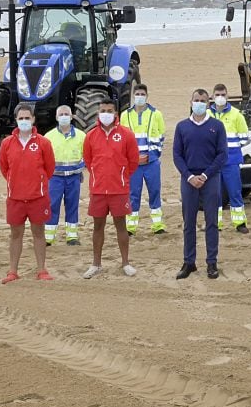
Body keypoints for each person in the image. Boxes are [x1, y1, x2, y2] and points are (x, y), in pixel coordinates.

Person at [0, 103, 56, 284]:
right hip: (15, 197)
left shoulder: (43, 142)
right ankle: (13, 271)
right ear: (16, 120)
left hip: (37, 197)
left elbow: (49, 168)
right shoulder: (6, 143)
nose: (24, 121)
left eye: (27, 118)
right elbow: (4, 168)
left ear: (33, 119)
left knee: (39, 233)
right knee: (16, 234)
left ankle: (41, 269)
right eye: (21, 118)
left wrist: (36, 184)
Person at [173, 89, 227, 279]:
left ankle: (211, 263)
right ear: (191, 102)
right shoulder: (181, 127)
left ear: (209, 103)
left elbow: (222, 154)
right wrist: (189, 177)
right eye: (196, 100)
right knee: (189, 223)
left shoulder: (217, 126)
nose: (199, 103)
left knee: (211, 222)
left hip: (210, 178)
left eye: (203, 100)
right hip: (188, 179)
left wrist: (204, 176)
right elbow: (177, 155)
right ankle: (189, 262)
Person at [82, 99, 140, 278]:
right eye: (102, 110)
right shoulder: (91, 135)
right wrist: (100, 176)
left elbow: (133, 161)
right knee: (97, 227)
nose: (105, 113)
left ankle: (125, 263)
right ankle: (96, 264)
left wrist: (120, 176)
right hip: (98, 190)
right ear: (98, 113)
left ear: (115, 114)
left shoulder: (126, 135)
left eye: (109, 110)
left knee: (121, 226)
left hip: (119, 189)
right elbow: (88, 160)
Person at [121, 84, 167, 235]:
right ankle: (131, 227)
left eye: (142, 94)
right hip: (133, 164)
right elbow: (122, 139)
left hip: (151, 162)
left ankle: (158, 225)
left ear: (147, 96)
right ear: (133, 95)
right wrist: (132, 159)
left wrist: (153, 155)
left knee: (154, 191)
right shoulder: (125, 115)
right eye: (137, 94)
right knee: (133, 193)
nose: (139, 96)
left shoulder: (156, 114)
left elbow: (160, 136)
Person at [44, 105, 85, 246]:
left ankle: (72, 236)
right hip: (55, 178)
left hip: (74, 178)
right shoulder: (48, 137)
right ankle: (49, 237)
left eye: (66, 114)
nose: (64, 117)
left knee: (72, 205)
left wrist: (80, 168)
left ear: (72, 116)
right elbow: (43, 158)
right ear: (56, 117)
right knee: (52, 205)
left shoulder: (81, 136)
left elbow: (87, 155)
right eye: (61, 114)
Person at [211, 84, 250, 234]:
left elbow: (244, 137)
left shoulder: (236, 115)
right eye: (217, 95)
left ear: (227, 96)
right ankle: (215, 224)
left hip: (231, 161)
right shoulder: (208, 115)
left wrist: (230, 150)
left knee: (235, 192)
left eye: (223, 95)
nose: (220, 98)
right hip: (213, 163)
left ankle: (240, 223)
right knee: (215, 194)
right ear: (213, 97)